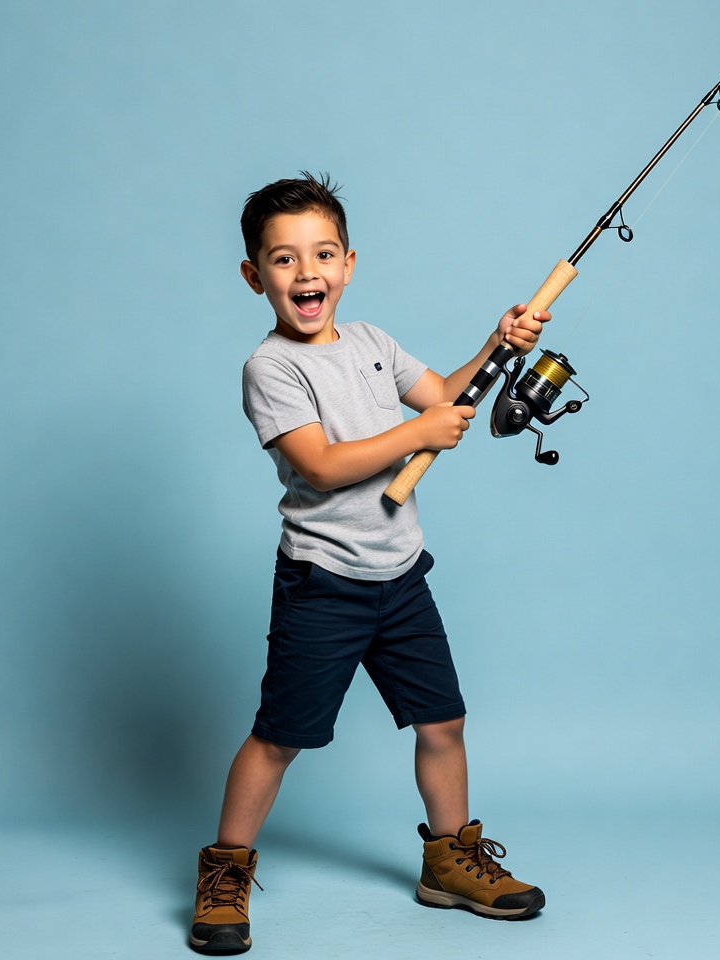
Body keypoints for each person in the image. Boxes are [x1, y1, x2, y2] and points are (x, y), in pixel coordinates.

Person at [190, 172, 550, 954]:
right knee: (279, 737)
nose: (307, 273)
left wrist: (498, 344)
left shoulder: (375, 343)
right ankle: (225, 873)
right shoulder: (272, 368)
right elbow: (320, 465)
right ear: (255, 277)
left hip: (402, 577)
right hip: (323, 586)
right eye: (284, 261)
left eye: (322, 254)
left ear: (349, 263)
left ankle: (449, 861)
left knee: (444, 722)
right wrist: (417, 437)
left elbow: (445, 397)